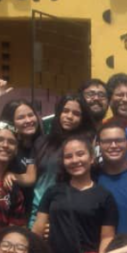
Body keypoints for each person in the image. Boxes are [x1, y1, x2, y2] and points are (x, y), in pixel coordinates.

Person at [32, 134, 118, 253]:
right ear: (63, 162)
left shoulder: (104, 196)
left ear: (91, 158)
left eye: (80, 154)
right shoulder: (53, 192)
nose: (75, 160)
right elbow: (37, 230)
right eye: (68, 156)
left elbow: (107, 237)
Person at [30, 94, 97, 222]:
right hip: (37, 213)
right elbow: (31, 177)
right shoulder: (42, 142)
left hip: (69, 214)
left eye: (76, 113)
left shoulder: (87, 146)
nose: (69, 116)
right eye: (65, 111)